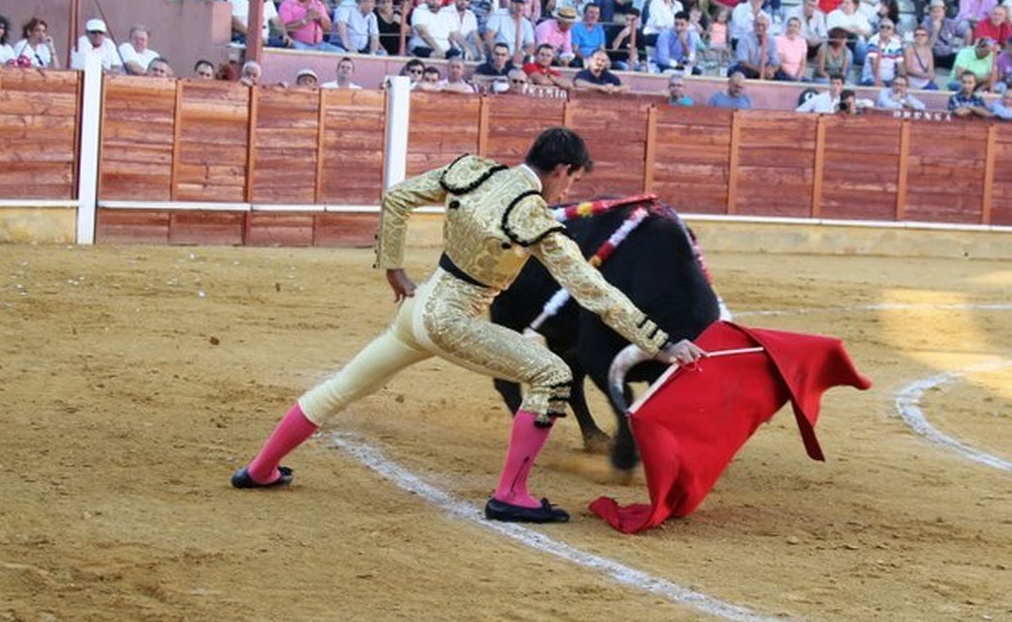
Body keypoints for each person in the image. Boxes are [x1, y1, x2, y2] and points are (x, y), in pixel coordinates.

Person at [230, 129, 706, 526]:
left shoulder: (475, 170)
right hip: (450, 321)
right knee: (553, 374)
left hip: (416, 309)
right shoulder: (531, 216)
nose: (568, 191)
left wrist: (392, 267)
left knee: (339, 388)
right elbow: (592, 290)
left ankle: (260, 469)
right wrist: (661, 342)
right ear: (561, 171)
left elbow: (397, 197)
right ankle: (511, 494)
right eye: (572, 180)